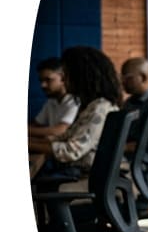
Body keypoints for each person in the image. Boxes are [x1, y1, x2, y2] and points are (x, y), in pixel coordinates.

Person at [28, 47, 121, 184]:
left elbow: (70, 151)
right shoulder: (92, 106)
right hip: (77, 172)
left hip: (83, 176)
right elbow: (64, 137)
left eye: (66, 75)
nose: (64, 81)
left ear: (82, 75)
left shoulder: (100, 109)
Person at [28, 57, 80, 139]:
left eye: (48, 80)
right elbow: (35, 124)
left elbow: (60, 130)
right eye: (41, 81)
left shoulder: (75, 101)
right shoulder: (51, 101)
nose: (43, 85)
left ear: (63, 78)